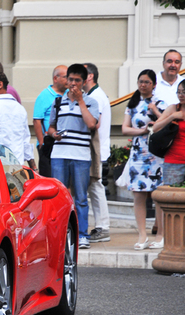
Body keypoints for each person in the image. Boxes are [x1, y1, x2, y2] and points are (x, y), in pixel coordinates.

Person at [48, 64, 100, 250]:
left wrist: (80, 101)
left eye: (78, 80)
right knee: (59, 197)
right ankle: (59, 234)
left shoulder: (91, 102)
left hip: (81, 155)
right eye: (71, 79)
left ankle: (82, 235)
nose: (73, 83)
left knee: (80, 197)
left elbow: (91, 123)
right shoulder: (57, 101)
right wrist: (54, 135)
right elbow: (50, 127)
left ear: (84, 81)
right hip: (59, 154)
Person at [122, 70, 166, 250]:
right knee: (138, 195)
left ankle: (161, 234)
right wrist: (141, 131)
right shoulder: (132, 104)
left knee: (158, 196)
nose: (143, 85)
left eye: (147, 82)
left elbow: (167, 123)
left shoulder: (160, 103)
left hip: (156, 154)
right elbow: (125, 129)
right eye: (140, 81)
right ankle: (142, 234)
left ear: (154, 84)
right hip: (138, 154)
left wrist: (155, 111)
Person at [0, 72, 36, 169]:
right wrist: (34, 168)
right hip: (18, 166)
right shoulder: (20, 108)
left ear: (0, 84)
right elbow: (25, 141)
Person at [84, 63, 112, 243]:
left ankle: (103, 227)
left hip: (97, 150)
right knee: (94, 187)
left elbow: (95, 123)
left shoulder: (96, 97)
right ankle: (101, 226)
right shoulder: (94, 94)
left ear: (90, 76)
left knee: (96, 187)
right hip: (96, 150)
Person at [152, 79, 185, 216]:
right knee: (171, 200)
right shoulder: (174, 108)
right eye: (179, 92)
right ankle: (170, 235)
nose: (181, 95)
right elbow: (155, 128)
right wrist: (172, 117)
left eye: (184, 92)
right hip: (174, 161)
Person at [33, 65, 67, 177]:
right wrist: (41, 142)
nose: (69, 80)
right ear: (55, 78)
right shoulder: (44, 95)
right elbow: (37, 120)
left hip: (63, 142)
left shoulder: (69, 94)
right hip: (48, 142)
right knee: (48, 176)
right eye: (66, 77)